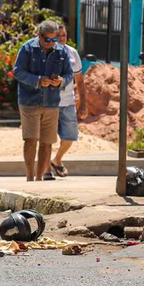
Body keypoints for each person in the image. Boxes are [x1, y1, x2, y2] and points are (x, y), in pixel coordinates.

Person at [13, 20, 69, 181]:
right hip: (30, 101)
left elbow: (68, 74)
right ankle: (30, 177)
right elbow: (18, 72)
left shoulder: (61, 52)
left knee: (47, 142)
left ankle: (40, 178)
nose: (51, 43)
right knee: (31, 139)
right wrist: (37, 80)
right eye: (48, 40)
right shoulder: (27, 49)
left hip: (51, 102)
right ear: (39, 36)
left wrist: (61, 81)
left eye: (54, 39)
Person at [50, 25, 84, 178]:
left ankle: (57, 160)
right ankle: (46, 169)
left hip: (68, 102)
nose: (62, 38)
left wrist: (83, 103)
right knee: (48, 138)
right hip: (50, 102)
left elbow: (80, 80)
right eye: (59, 36)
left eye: (64, 35)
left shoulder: (72, 53)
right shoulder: (47, 53)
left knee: (70, 136)